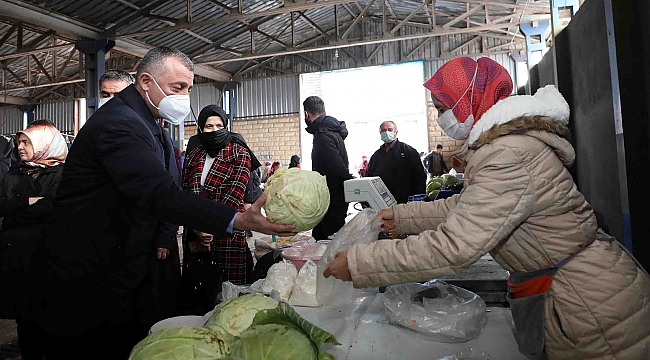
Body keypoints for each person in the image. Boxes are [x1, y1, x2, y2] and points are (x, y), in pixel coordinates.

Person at [323, 57, 650, 360]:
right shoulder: (505, 144)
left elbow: (454, 247)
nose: (440, 118)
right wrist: (400, 216)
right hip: (582, 292)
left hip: (591, 306)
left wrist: (359, 263)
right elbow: (467, 206)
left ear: (469, 100)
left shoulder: (505, 153)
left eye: (442, 108)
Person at [29, 47, 295, 358]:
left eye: (188, 89)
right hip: (91, 268)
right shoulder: (120, 124)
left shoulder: (147, 121)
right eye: (177, 88)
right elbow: (159, 192)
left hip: (119, 261)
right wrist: (237, 219)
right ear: (145, 81)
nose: (184, 97)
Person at [0, 122, 68, 359]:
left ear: (44, 144)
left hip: (49, 255)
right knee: (24, 317)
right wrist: (28, 202)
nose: (20, 147)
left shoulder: (62, 173)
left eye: (26, 142)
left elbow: (55, 208)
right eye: (19, 142)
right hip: (17, 257)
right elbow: (2, 205)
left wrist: (18, 207)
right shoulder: (14, 173)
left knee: (52, 315)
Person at [182, 104, 261, 287]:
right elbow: (186, 191)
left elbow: (234, 193)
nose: (214, 130)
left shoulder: (239, 152)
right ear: (201, 128)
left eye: (219, 126)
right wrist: (197, 227)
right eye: (209, 127)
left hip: (227, 228)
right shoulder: (195, 154)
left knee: (229, 289)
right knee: (199, 288)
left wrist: (210, 226)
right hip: (196, 232)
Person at [303, 96, 353, 240]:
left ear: (307, 114)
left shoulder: (323, 135)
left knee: (327, 241)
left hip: (331, 199)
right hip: (337, 197)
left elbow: (337, 168)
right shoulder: (333, 131)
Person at [365, 121, 426, 204]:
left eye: (390, 130)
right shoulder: (376, 156)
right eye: (383, 130)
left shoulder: (409, 151)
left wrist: (418, 201)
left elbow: (420, 177)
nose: (386, 132)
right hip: (383, 203)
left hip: (405, 202)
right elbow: (369, 178)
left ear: (396, 132)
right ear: (380, 133)